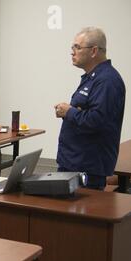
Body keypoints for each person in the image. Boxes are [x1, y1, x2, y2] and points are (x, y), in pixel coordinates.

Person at [54, 27, 126, 190]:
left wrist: (69, 112)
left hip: (87, 167)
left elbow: (97, 121)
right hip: (74, 162)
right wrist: (70, 111)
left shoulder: (107, 81)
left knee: (77, 214)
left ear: (94, 51)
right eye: (72, 48)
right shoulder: (92, 77)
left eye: (77, 47)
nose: (72, 52)